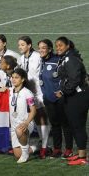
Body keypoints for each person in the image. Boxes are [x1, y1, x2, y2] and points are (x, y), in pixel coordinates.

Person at [54, 36, 89, 165]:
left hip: (78, 97)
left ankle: (82, 157)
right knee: (74, 125)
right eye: (56, 45)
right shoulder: (67, 57)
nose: (58, 48)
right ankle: (80, 153)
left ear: (68, 45)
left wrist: (63, 91)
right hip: (73, 96)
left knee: (78, 126)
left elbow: (74, 79)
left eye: (61, 45)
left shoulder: (71, 59)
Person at [38, 39, 73, 159]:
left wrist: (62, 91)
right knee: (54, 124)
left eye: (44, 48)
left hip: (60, 98)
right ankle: (57, 149)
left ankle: (69, 149)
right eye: (40, 48)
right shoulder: (42, 61)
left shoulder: (57, 60)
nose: (41, 50)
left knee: (65, 124)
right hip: (48, 98)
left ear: (49, 49)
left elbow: (67, 76)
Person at [18, 36, 49, 158]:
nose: (20, 47)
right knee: (36, 118)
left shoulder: (36, 56)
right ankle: (43, 143)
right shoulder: (21, 58)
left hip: (39, 92)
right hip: (29, 92)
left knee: (42, 118)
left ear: (29, 45)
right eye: (19, 45)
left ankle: (45, 146)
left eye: (23, 45)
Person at [9, 68, 36, 163]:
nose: (13, 79)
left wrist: (26, 123)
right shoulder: (9, 91)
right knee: (17, 155)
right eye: (12, 77)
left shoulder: (27, 93)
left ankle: (25, 154)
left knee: (19, 130)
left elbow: (33, 111)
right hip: (13, 125)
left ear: (23, 79)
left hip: (26, 122)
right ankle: (35, 147)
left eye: (16, 77)